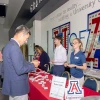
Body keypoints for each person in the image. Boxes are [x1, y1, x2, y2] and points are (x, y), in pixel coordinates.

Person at [2, 25, 40, 100]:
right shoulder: (14, 47)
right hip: (18, 88)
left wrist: (30, 63)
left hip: (12, 87)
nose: (26, 41)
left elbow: (16, 63)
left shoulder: (8, 45)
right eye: (26, 38)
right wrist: (33, 65)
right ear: (20, 35)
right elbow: (20, 70)